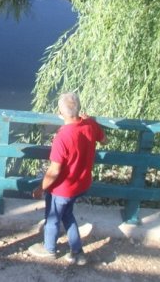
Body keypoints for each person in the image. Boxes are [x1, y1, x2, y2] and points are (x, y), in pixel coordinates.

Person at [28, 92, 107, 266]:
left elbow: (54, 171)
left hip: (63, 189)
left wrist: (41, 188)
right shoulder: (90, 124)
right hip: (82, 183)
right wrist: (90, 121)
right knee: (67, 214)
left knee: (53, 218)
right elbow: (105, 140)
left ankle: (49, 249)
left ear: (60, 113)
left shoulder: (62, 137)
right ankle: (77, 252)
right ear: (79, 109)